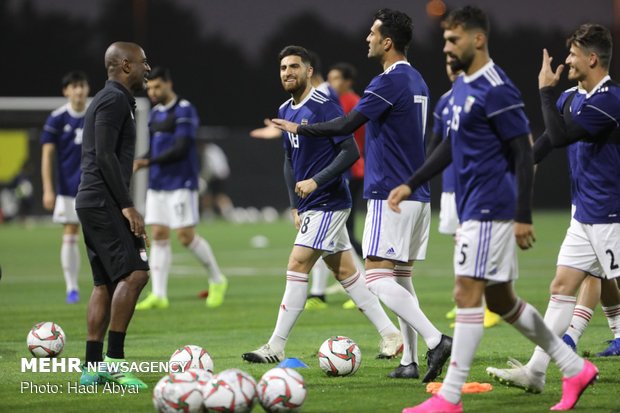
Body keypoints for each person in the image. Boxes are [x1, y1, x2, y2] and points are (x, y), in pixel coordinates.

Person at [388, 8, 597, 412]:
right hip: (472, 207)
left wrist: (522, 215)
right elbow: (450, 145)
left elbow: (522, 152)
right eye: (446, 40)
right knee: (502, 301)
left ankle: (449, 398)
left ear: (478, 39)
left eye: (454, 40)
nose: (446, 47)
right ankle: (574, 368)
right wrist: (412, 182)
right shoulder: (464, 87)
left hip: (490, 207)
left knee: (465, 293)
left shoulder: (497, 87)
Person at [271, 9, 452, 382]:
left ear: (387, 42)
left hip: (391, 193)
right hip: (417, 193)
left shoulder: (388, 82)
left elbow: (348, 125)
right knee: (401, 278)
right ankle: (410, 361)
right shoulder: (417, 79)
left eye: (372, 33)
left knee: (376, 278)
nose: (366, 38)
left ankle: (436, 340)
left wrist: (301, 128)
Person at [242, 45, 403, 364]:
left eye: (294, 67)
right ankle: (391, 334)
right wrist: (293, 204)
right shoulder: (286, 109)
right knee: (346, 272)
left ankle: (276, 345)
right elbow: (289, 160)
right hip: (310, 205)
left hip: (329, 201)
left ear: (308, 71)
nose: (287, 73)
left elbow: (350, 152)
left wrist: (317, 181)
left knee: (297, 264)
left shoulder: (324, 106)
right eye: (283, 68)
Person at [487, 22, 620, 394]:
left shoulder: (610, 100)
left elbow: (562, 137)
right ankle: (536, 371)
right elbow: (546, 142)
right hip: (584, 214)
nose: (567, 61)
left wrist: (545, 92)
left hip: (612, 214)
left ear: (592, 59)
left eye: (574, 55)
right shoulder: (571, 98)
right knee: (561, 287)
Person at [76, 41, 151, 388]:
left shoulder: (115, 99)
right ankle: (114, 362)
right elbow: (104, 155)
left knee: (105, 282)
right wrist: (127, 204)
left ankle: (92, 368)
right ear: (124, 65)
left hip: (95, 200)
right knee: (136, 274)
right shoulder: (113, 99)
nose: (147, 69)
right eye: (142, 63)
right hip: (104, 201)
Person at [133, 67, 228, 310]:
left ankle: (217, 279)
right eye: (149, 88)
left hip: (181, 182)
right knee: (159, 235)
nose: (153, 92)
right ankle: (159, 294)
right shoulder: (154, 114)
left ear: (168, 84)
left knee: (186, 237)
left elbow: (182, 147)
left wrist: (147, 162)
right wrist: (140, 161)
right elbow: (154, 150)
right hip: (157, 184)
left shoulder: (184, 109)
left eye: (157, 87)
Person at [428, 63, 501, 329]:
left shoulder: (485, 94)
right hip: (450, 184)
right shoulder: (446, 101)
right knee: (459, 242)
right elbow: (437, 144)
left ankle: (489, 306)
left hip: (475, 185)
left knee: (476, 243)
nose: (451, 66)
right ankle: (467, 300)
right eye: (446, 62)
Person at [40, 71, 90, 304]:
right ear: (66, 91)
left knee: (99, 235)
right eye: (74, 86)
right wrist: (48, 189)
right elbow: (47, 155)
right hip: (68, 188)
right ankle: (72, 288)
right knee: (70, 231)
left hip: (94, 187)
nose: (79, 90)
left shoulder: (95, 113)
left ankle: (105, 283)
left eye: (82, 85)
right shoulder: (57, 118)